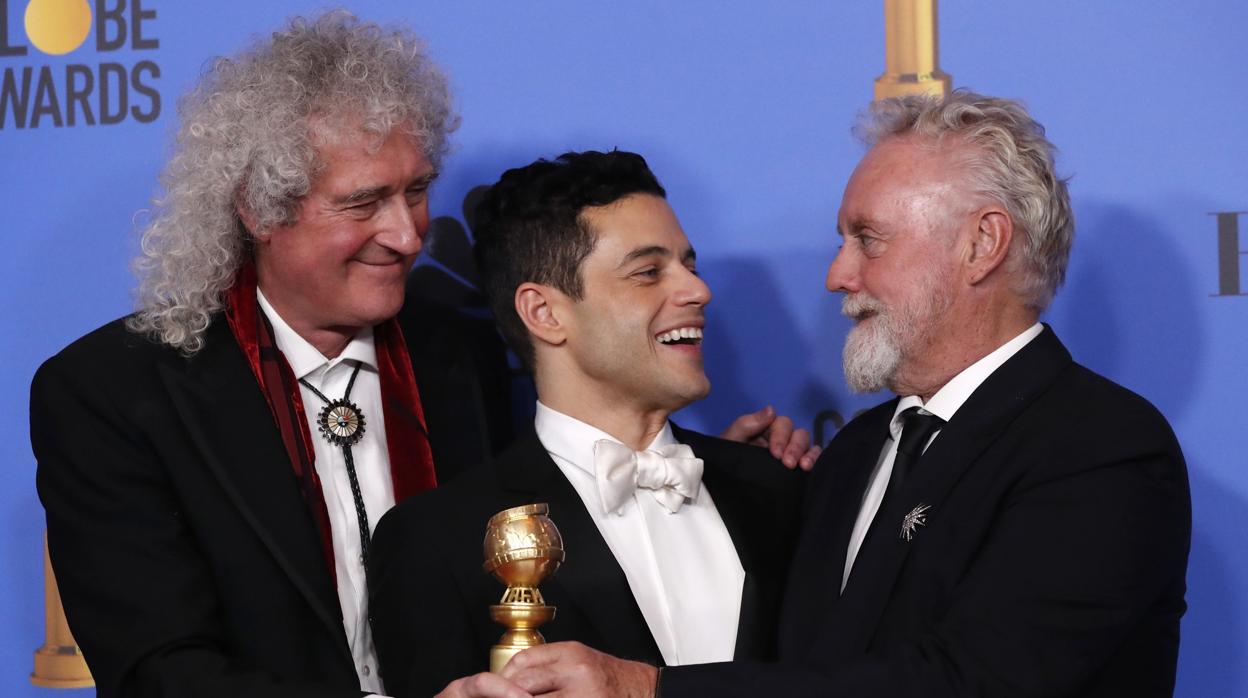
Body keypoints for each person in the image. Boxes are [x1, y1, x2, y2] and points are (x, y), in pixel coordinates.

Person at [29, 13, 816, 698]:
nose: (408, 236)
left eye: (415, 191)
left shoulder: (461, 351)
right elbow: (158, 674)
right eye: (364, 202)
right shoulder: (116, 393)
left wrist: (720, 485)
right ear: (260, 209)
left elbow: (550, 504)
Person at [484, 91, 1192, 697]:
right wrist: (736, 494)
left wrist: (651, 688)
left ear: (983, 244)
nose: (837, 275)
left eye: (868, 240)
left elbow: (968, 683)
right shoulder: (856, 453)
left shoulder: (1100, 447)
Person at [368, 151, 806, 698]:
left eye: (689, 265)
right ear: (545, 313)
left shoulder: (781, 488)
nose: (698, 291)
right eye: (649, 272)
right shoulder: (436, 540)